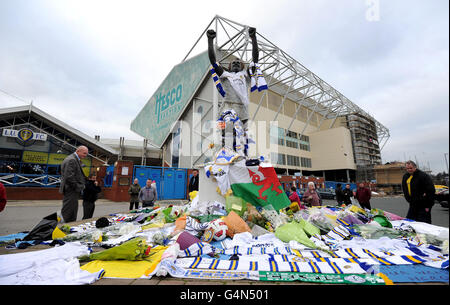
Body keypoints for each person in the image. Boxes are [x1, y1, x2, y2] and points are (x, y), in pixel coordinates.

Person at [206, 26, 260, 157]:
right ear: (229, 67)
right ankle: (227, 154)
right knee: (227, 132)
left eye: (238, 62)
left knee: (243, 135)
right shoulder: (225, 74)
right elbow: (213, 61)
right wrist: (210, 41)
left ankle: (242, 156)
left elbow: (255, 60)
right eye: (233, 63)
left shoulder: (245, 75)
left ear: (242, 66)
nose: (235, 63)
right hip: (228, 107)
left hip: (242, 109)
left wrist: (253, 39)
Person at [59, 145, 88, 223]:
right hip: (71, 189)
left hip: (72, 189)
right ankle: (62, 229)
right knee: (68, 212)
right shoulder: (72, 160)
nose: (85, 156)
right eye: (84, 153)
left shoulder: (74, 159)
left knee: (72, 211)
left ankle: (69, 227)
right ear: (78, 151)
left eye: (86, 154)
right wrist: (78, 186)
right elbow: (69, 177)